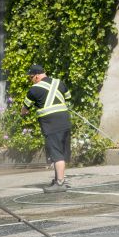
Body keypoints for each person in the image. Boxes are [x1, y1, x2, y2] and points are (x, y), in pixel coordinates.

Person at [21, 64, 72, 193]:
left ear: (37, 76)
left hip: (51, 124)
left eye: (31, 77)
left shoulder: (33, 90)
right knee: (61, 152)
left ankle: (60, 183)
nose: (31, 80)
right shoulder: (60, 83)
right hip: (65, 121)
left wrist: (22, 113)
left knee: (56, 153)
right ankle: (58, 179)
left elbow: (25, 109)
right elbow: (68, 99)